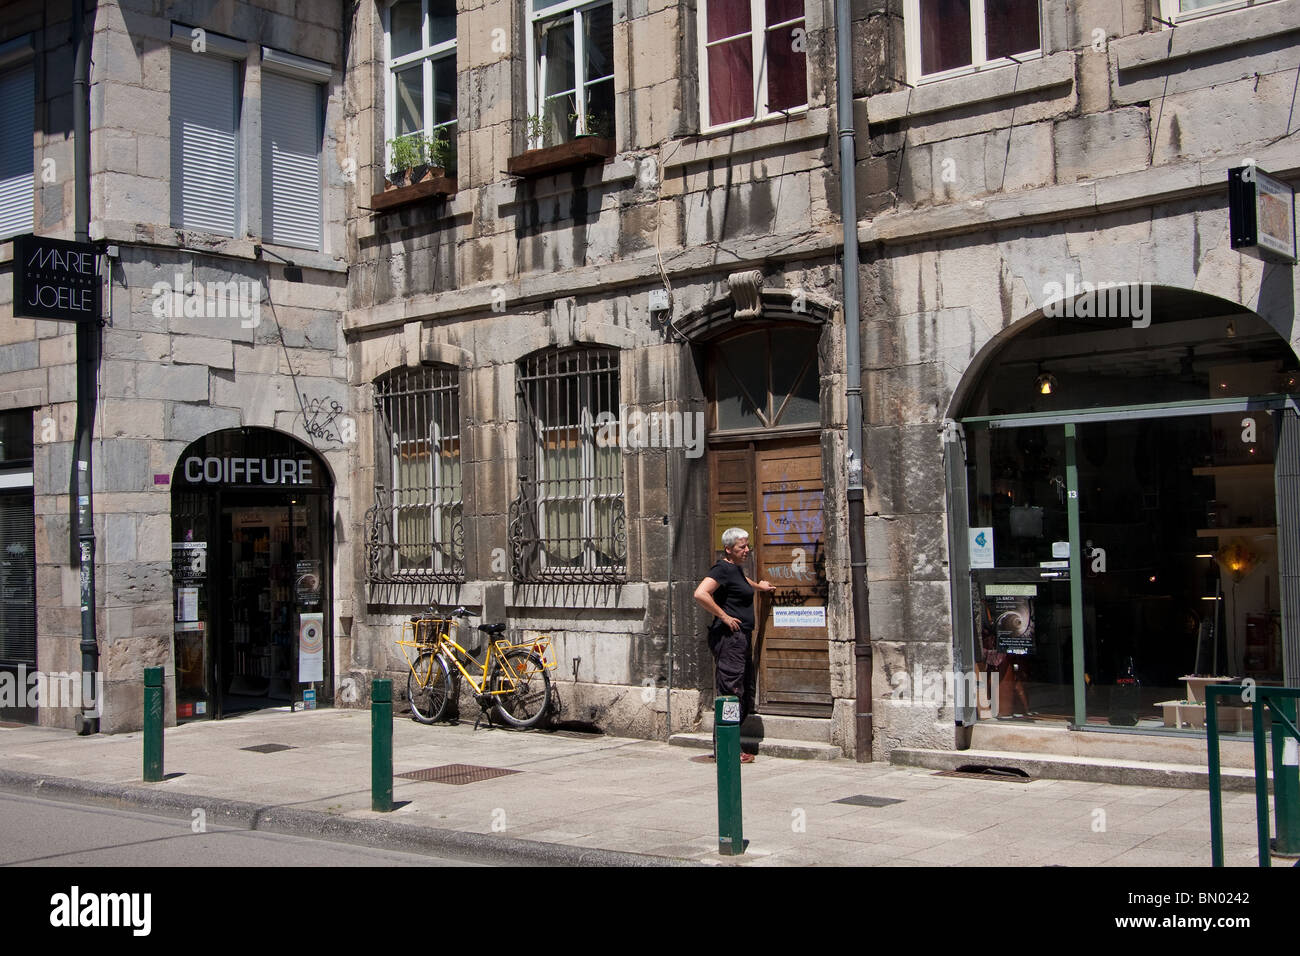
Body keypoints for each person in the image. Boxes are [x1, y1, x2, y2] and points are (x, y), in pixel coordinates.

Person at [693, 527, 774, 763]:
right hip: (730, 640)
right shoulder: (721, 568)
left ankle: (731, 744)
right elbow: (701, 593)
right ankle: (727, 749)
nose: (747, 550)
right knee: (730, 692)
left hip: (740, 639)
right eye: (742, 547)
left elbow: (742, 581)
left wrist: (760, 586)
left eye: (747, 545)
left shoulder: (734, 570)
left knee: (743, 693)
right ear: (728, 549)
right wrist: (724, 616)